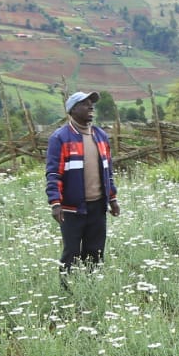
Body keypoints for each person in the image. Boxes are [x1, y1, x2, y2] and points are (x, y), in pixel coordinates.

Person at [46, 90, 120, 281]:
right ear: (73, 109)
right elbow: (54, 173)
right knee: (71, 252)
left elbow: (108, 171)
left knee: (95, 251)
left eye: (91, 103)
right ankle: (67, 293)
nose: (91, 107)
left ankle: (91, 287)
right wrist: (55, 203)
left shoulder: (101, 136)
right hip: (72, 208)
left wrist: (112, 199)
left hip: (97, 206)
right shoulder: (60, 138)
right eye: (85, 104)